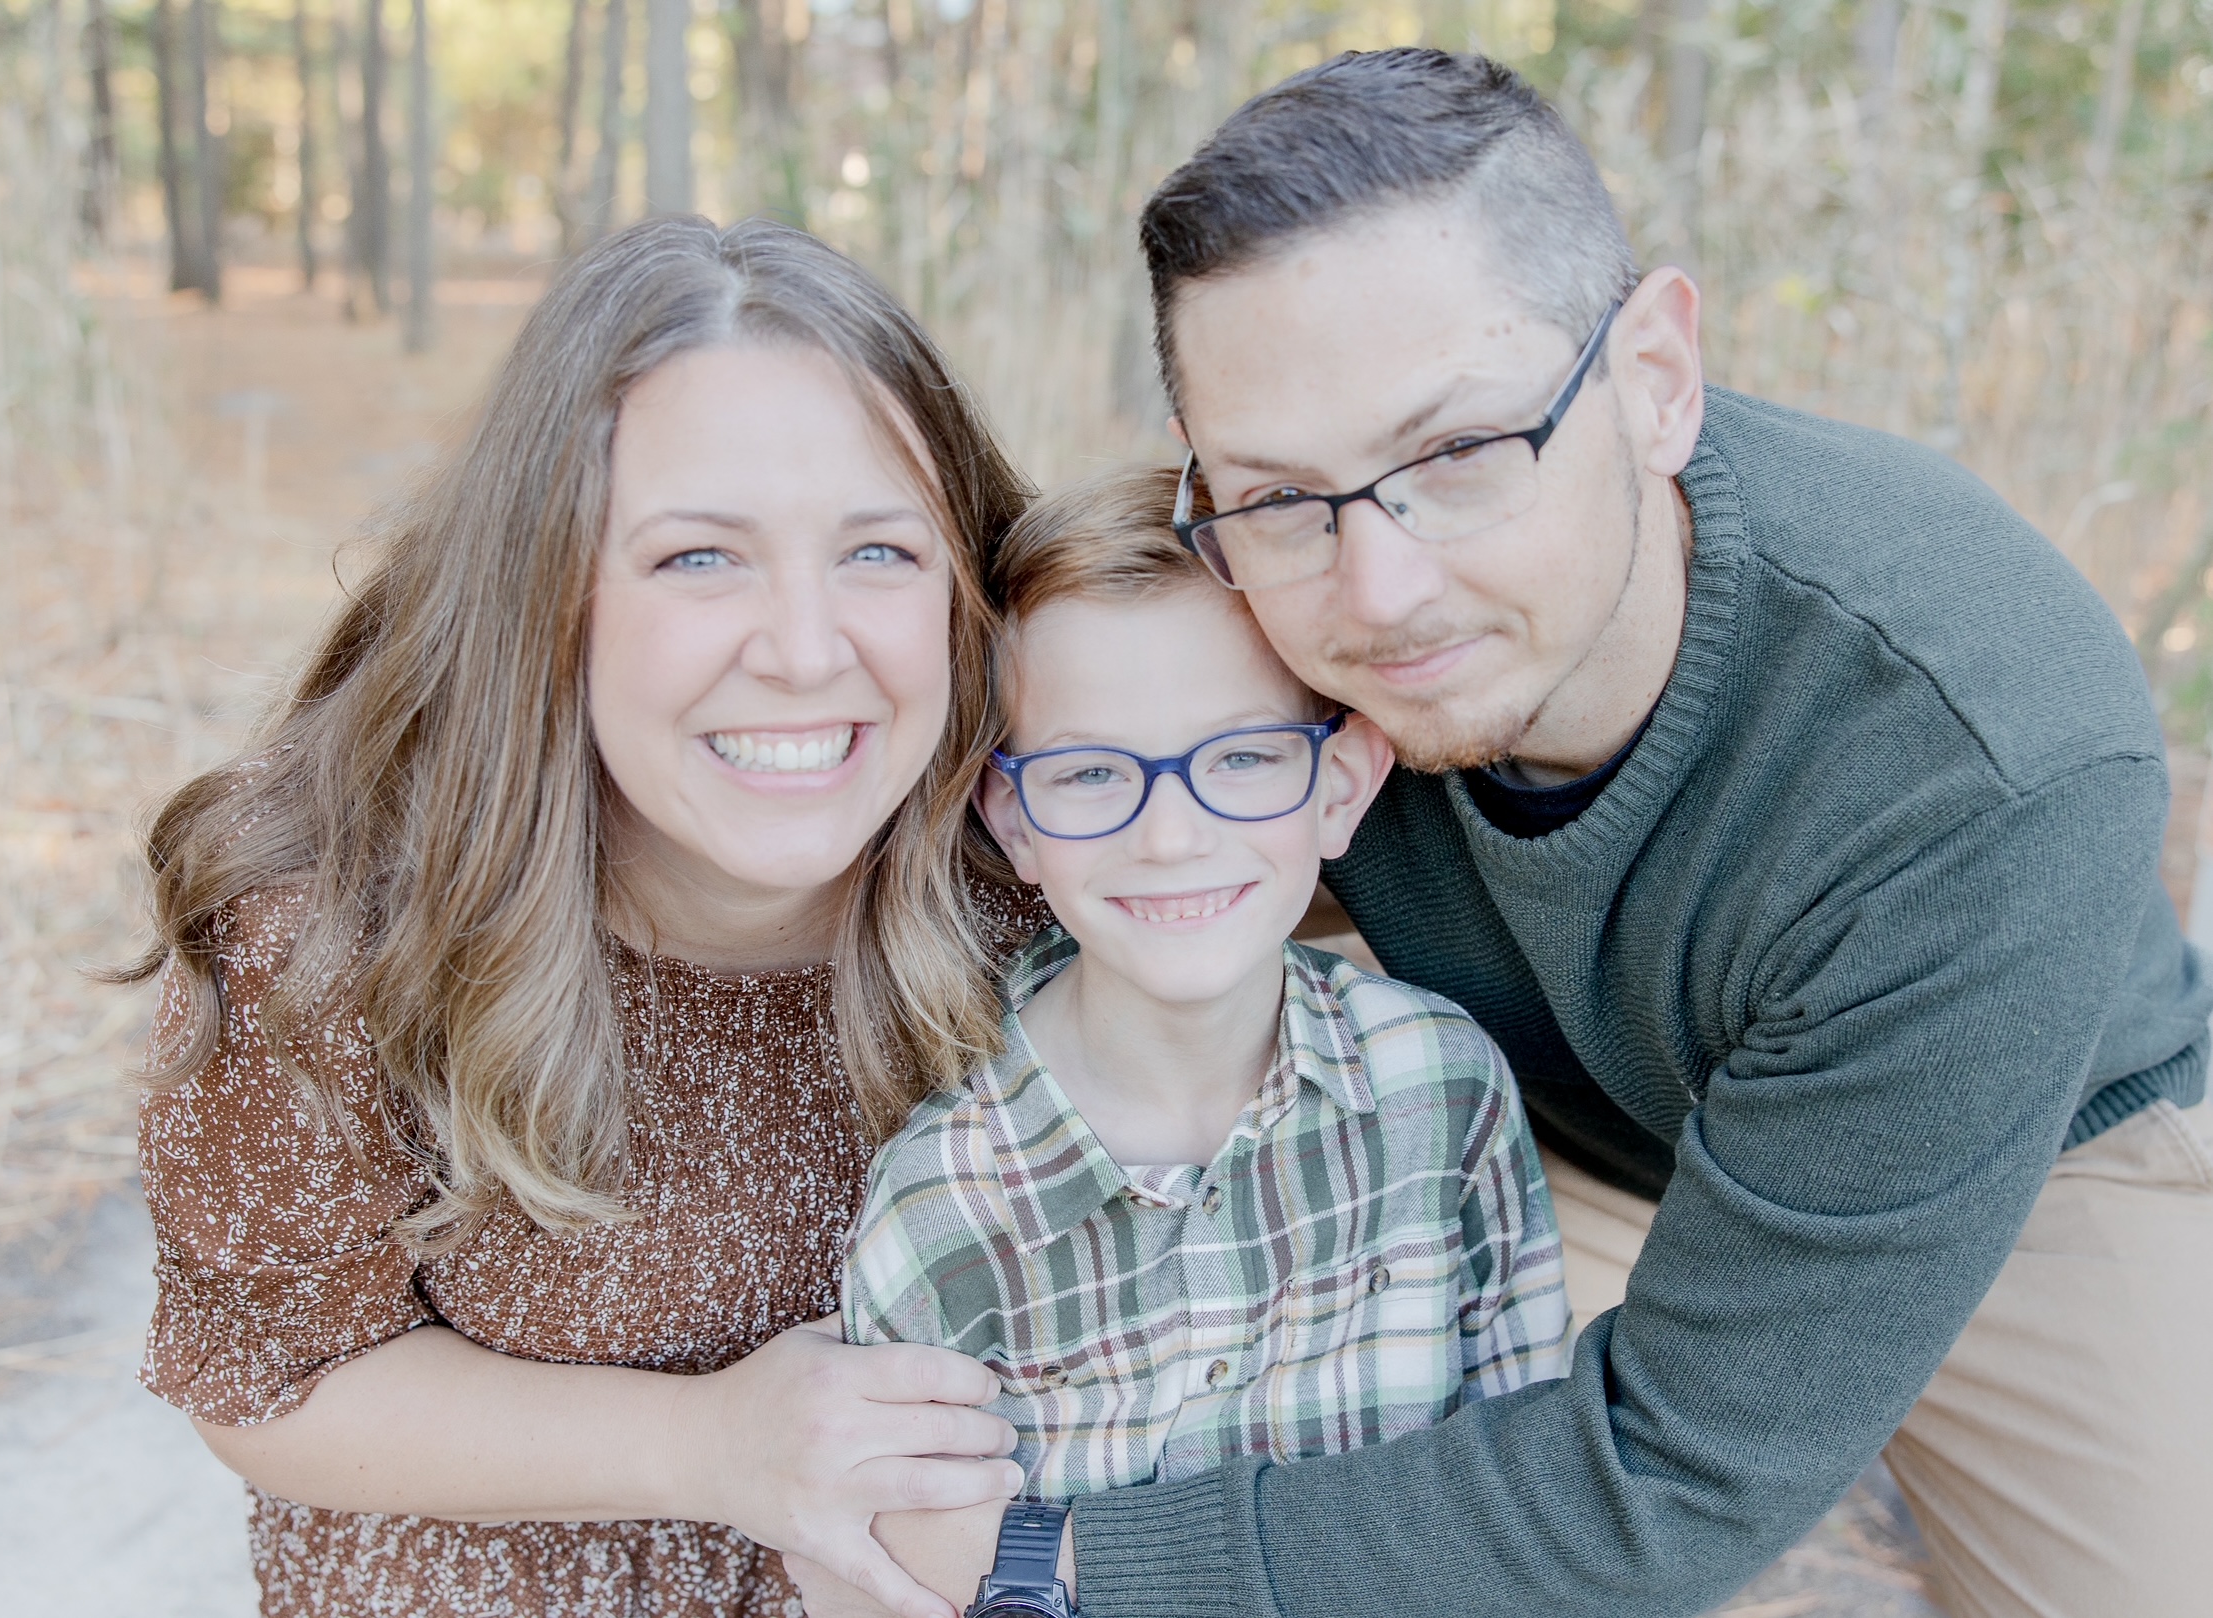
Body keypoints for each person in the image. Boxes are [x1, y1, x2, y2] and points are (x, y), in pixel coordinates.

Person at [787, 49, 2213, 1618]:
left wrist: (1064, 1565)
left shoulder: (1975, 752)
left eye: (1458, 454)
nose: (1381, 592)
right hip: (1542, 1118)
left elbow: (1672, 1477)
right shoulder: (1252, 636)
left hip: (2019, 1155)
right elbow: (992, 835)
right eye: (1280, 492)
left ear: (1654, 376)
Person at [117, 217, 1044, 1618]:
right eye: (698, 559)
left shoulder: (1050, 859)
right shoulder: (329, 921)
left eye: (878, 551)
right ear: (550, 591)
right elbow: (273, 1380)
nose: (806, 651)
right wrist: (707, 1446)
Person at [842, 467, 1569, 1515]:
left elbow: (1527, 1474)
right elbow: (913, 1561)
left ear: (1338, 785)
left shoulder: (1442, 1088)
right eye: (1091, 772)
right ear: (1014, 819)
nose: (1171, 837)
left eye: (1240, 757)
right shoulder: (944, 1211)